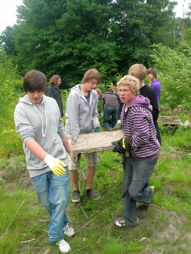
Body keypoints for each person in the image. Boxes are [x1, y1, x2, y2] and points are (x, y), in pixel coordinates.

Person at [14, 70, 74, 253]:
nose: (36, 95)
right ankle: (63, 222)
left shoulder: (52, 103)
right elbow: (27, 138)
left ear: (44, 88)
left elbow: (60, 128)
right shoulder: (21, 109)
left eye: (39, 91)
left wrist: (70, 153)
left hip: (59, 159)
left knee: (61, 199)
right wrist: (46, 158)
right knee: (47, 202)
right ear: (26, 90)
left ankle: (56, 236)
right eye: (31, 91)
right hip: (37, 164)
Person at [113, 75, 160, 228]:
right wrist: (124, 144)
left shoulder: (137, 110)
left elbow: (143, 136)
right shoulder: (126, 106)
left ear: (134, 91)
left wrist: (126, 145)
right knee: (126, 189)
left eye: (125, 90)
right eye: (120, 90)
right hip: (133, 154)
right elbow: (129, 130)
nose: (122, 93)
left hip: (146, 156)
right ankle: (130, 220)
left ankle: (147, 193)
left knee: (134, 191)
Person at [65, 68, 103, 203]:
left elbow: (94, 114)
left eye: (96, 84)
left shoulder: (94, 95)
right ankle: (75, 190)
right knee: (73, 164)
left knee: (92, 162)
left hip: (89, 133)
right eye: (92, 83)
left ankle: (88, 189)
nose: (94, 86)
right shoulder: (74, 95)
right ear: (85, 80)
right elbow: (73, 118)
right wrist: (75, 140)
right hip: (73, 134)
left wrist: (97, 125)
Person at [128, 64, 161, 144]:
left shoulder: (149, 92)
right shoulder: (127, 91)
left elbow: (155, 112)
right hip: (131, 133)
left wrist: (142, 124)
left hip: (149, 133)